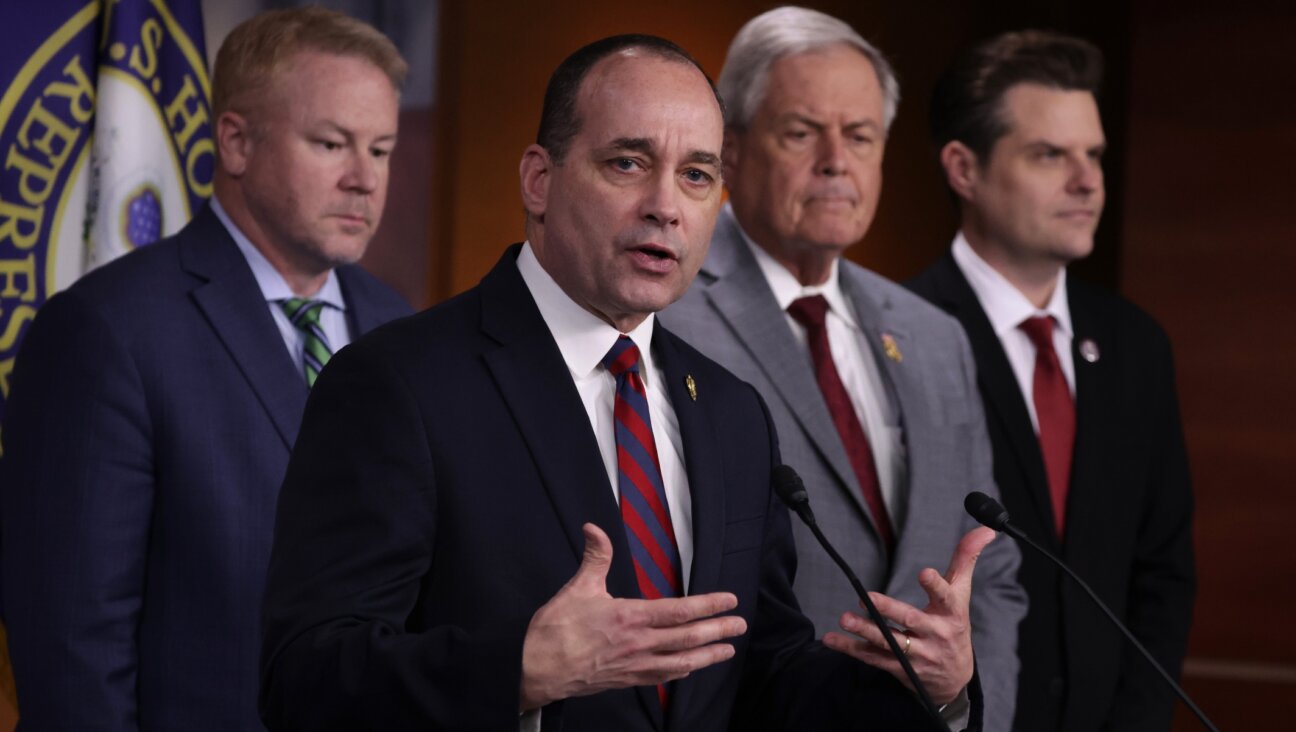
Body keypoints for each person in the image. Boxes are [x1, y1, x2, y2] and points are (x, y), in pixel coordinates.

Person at [260, 34, 992, 730]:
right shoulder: (400, 384)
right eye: (627, 164)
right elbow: (304, 679)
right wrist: (518, 669)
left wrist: (929, 690)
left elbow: (763, 681)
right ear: (539, 180)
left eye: (697, 176)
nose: (665, 206)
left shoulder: (734, 414)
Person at [0, 7, 411, 730]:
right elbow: (74, 648)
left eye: (380, 150)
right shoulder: (108, 330)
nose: (363, 180)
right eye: (331, 143)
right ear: (236, 141)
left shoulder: (401, 324)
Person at [658, 8, 1026, 730]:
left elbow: (994, 577)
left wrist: (967, 710)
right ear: (730, 150)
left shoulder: (933, 336)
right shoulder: (664, 313)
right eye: (802, 133)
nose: (836, 160)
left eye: (860, 136)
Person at [907, 30, 1195, 731]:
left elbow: (1161, 573)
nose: (1088, 180)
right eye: (1050, 155)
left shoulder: (1135, 344)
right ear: (963, 169)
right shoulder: (898, 340)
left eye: (1093, 154)